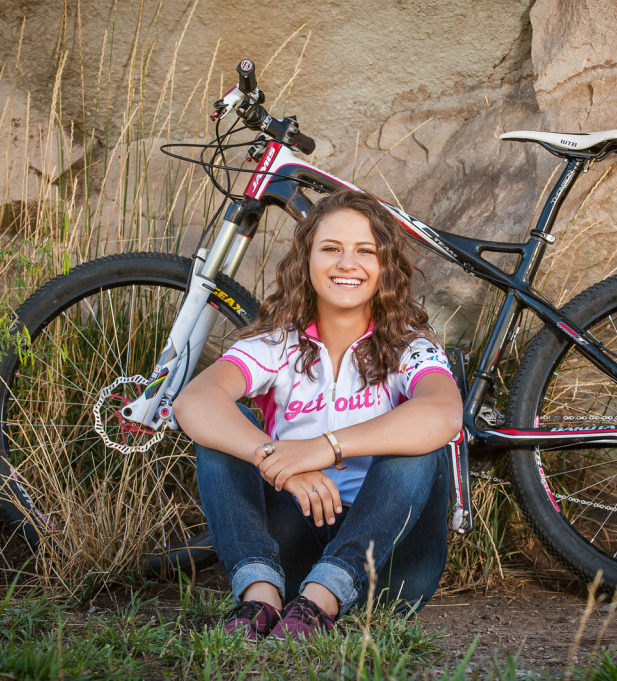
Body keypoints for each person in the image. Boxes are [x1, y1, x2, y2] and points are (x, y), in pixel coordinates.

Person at [173, 189, 463, 642]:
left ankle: (325, 598)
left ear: (384, 266)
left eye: (365, 251)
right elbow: (194, 401)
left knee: (418, 445)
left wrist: (320, 449)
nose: (347, 263)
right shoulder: (276, 344)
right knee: (224, 433)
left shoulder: (412, 346)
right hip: (294, 546)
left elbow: (444, 414)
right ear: (305, 262)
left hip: (387, 565)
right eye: (331, 249)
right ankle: (261, 597)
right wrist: (278, 462)